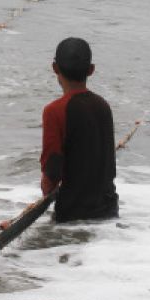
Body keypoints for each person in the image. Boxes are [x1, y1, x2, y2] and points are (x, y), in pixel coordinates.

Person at [40, 37, 120, 223]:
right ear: (91, 70)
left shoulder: (54, 110)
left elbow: (52, 167)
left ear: (54, 68)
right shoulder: (103, 106)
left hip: (72, 216)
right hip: (108, 213)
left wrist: (46, 191)